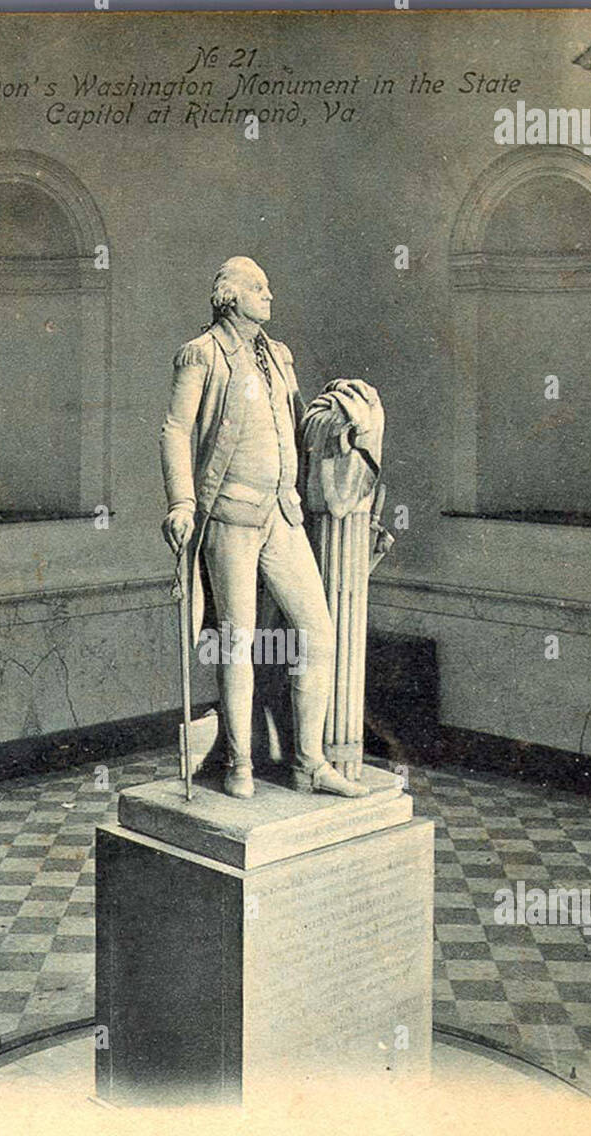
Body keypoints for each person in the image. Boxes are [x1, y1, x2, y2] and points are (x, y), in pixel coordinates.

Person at [160, 256, 369, 800]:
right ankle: (240, 764)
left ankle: (308, 762)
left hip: (282, 512)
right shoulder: (201, 354)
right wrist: (181, 502)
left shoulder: (278, 355)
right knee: (237, 642)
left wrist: (344, 424)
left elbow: (298, 426)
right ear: (230, 296)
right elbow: (176, 429)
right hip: (229, 514)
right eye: (259, 287)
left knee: (317, 632)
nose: (270, 295)